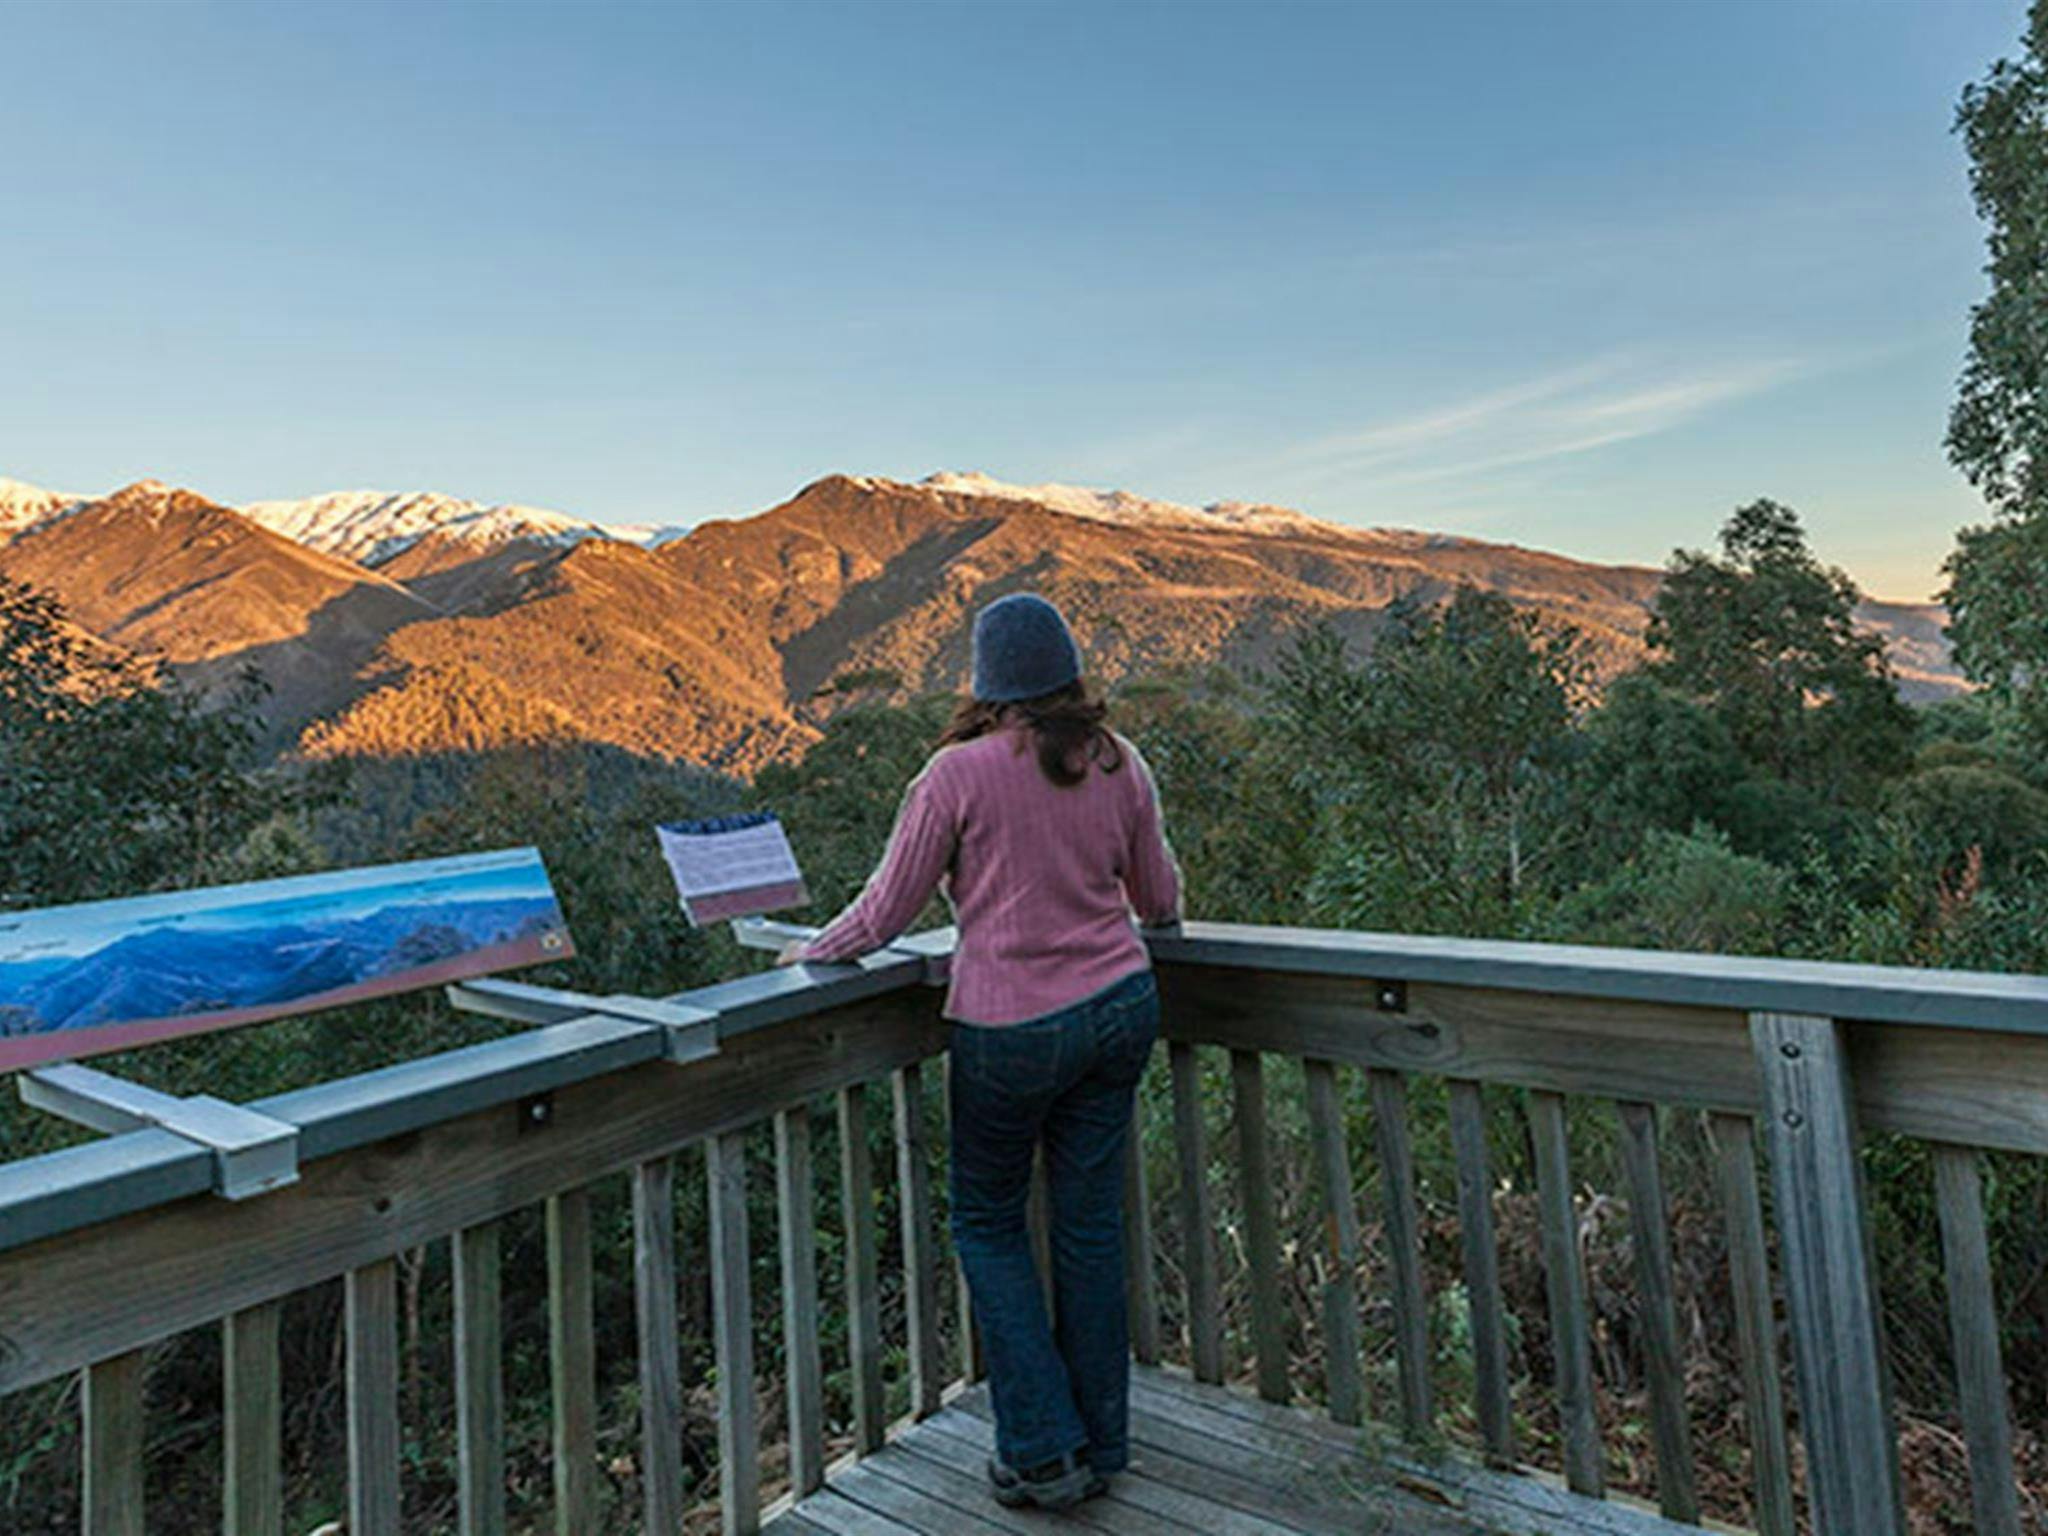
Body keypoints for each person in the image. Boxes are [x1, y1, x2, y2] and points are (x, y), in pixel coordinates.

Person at [781, 591, 1182, 1510]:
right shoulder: (1117, 760)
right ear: (1069, 672)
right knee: (1087, 1226)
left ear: (986, 682)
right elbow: (1159, 899)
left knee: (989, 1223)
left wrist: (806, 951)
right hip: (1121, 1007)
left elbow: (883, 914)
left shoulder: (955, 775)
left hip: (1012, 1027)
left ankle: (1042, 1452)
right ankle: (1100, 1443)